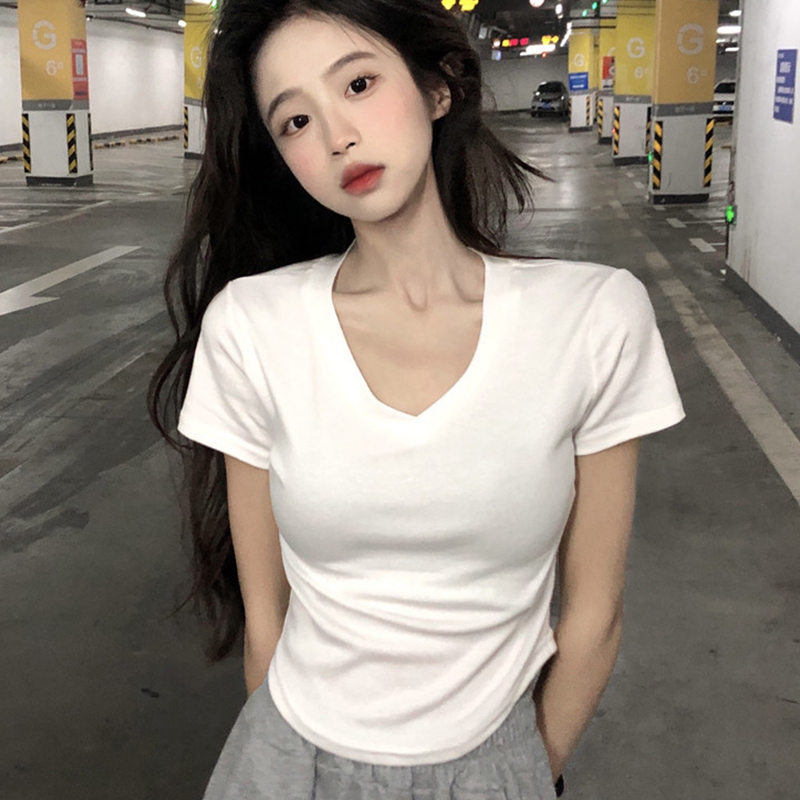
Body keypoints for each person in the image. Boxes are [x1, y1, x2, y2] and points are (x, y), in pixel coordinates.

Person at [147, 1, 686, 798]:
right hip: (287, 759)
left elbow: (594, 615)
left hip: (495, 762)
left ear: (439, 87)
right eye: (295, 121)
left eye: (358, 84)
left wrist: (524, 774)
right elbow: (268, 617)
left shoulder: (592, 317)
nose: (336, 136)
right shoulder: (253, 326)